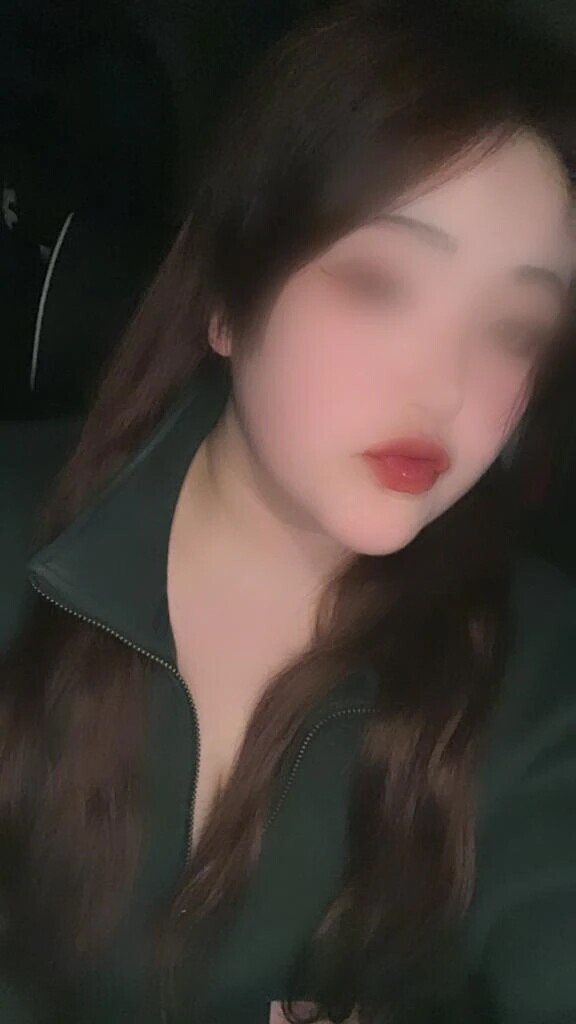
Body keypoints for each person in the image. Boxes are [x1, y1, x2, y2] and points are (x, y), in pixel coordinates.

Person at [1, 1, 575, 1021]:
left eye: (516, 327)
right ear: (226, 298)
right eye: (379, 283)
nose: (446, 388)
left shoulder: (538, 670)